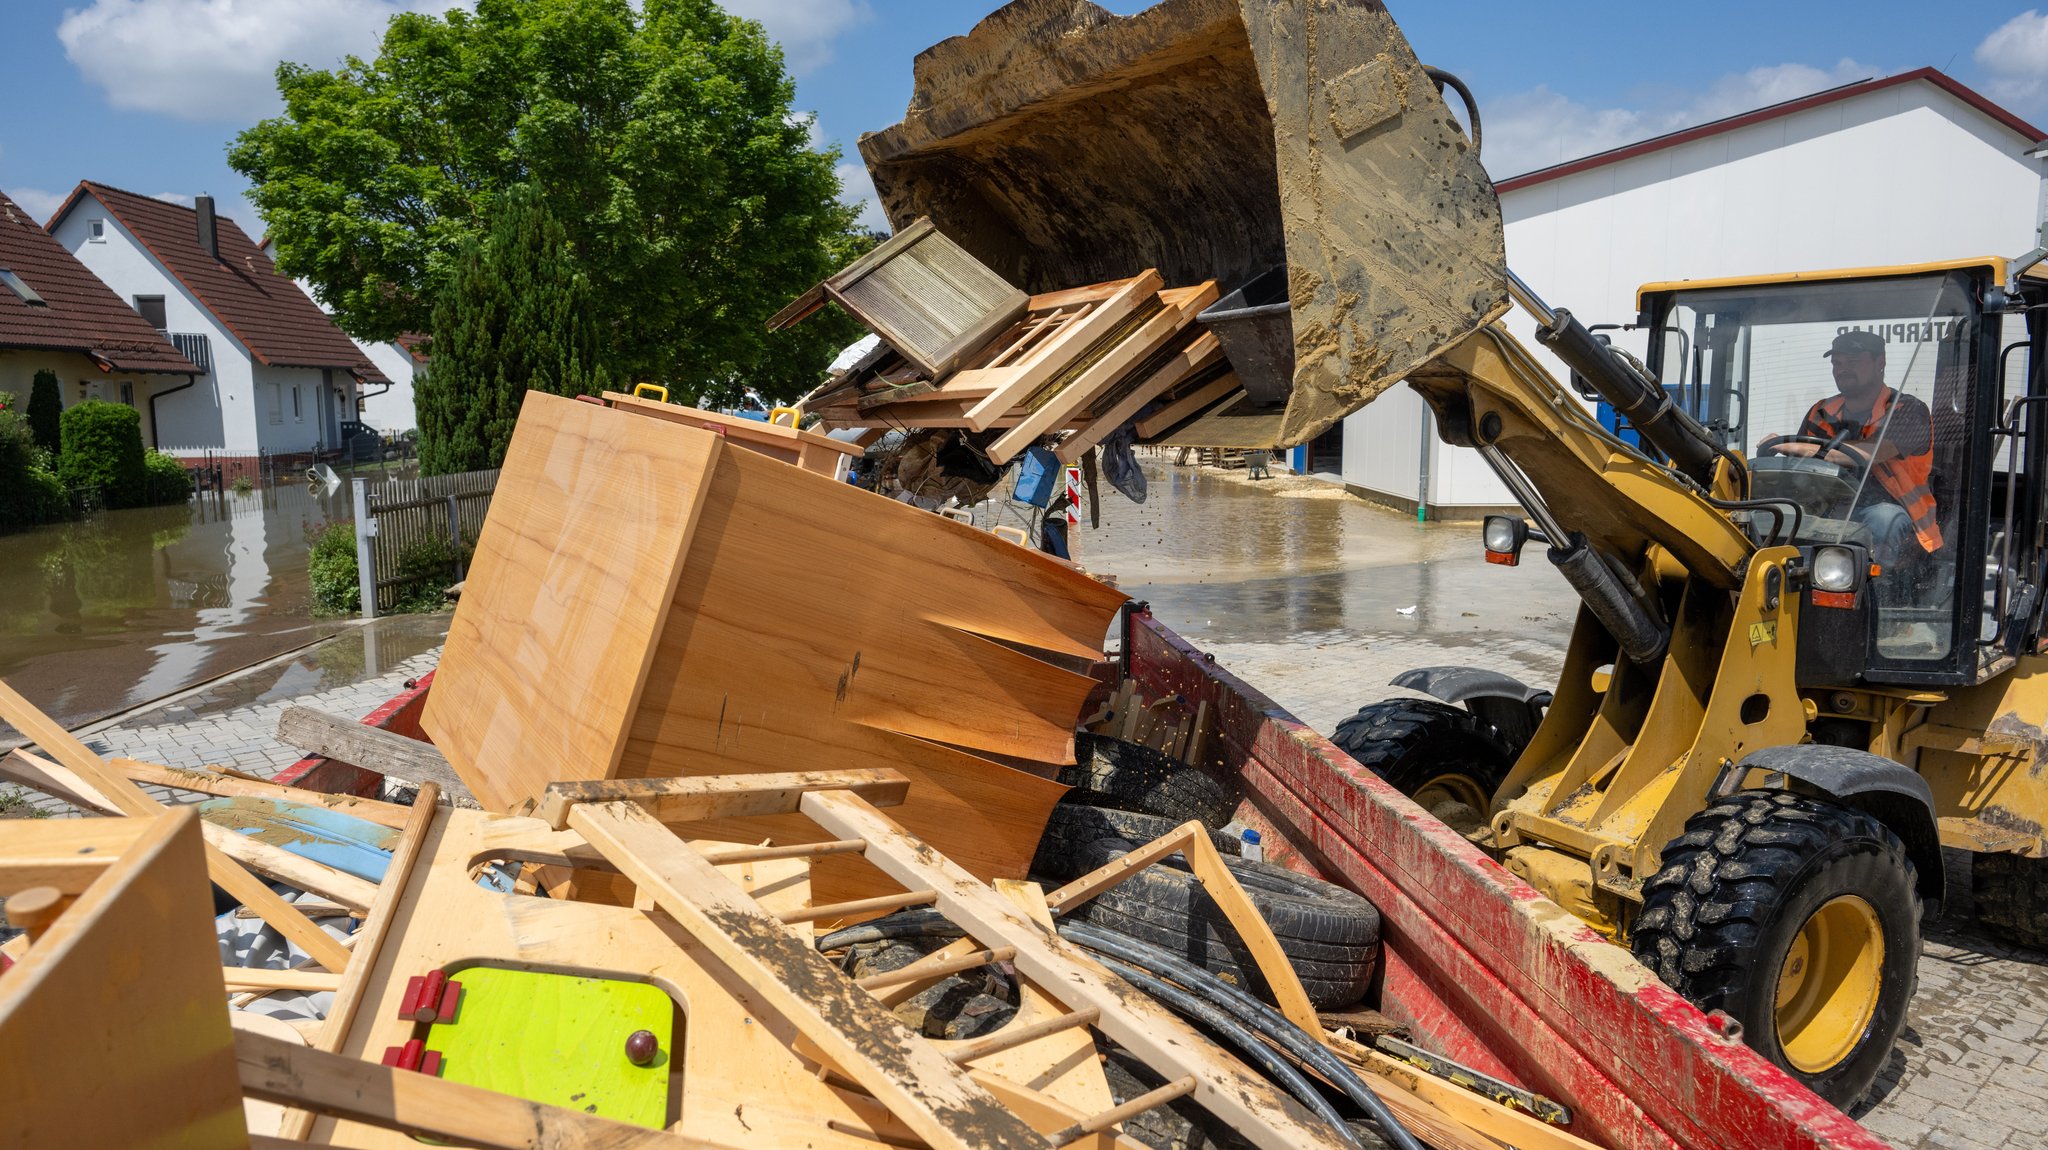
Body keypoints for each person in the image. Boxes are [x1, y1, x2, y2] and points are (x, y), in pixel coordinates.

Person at [1759, 330, 1942, 581]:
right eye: (1837, 363)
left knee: (1884, 518)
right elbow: (1798, 466)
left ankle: (1873, 593)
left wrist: (1796, 445)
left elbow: (1869, 452)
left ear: (1881, 363)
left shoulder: (1908, 410)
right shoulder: (1822, 411)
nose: (1842, 369)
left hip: (1904, 520)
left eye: (1853, 361)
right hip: (1833, 510)